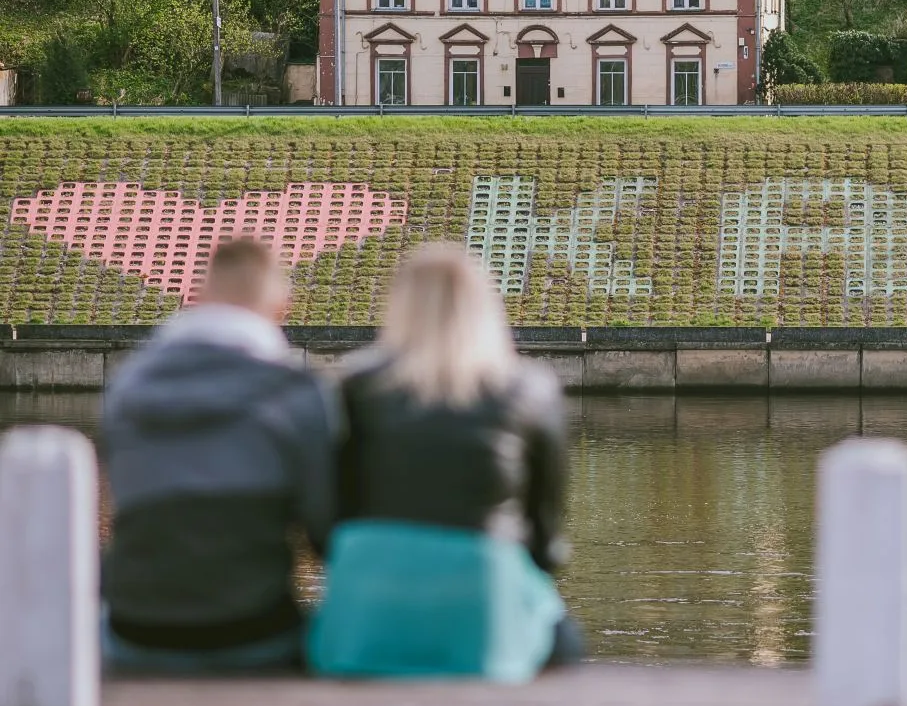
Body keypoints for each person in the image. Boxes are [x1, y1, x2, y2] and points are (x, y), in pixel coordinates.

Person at [309, 243, 580, 680]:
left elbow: (326, 516)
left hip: (372, 590)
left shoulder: (354, 385)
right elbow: (545, 528)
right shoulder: (530, 389)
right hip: (481, 582)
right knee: (564, 642)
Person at [99, 238, 335, 674]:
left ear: (202, 298)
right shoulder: (296, 393)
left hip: (136, 630)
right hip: (253, 630)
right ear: (281, 306)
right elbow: (323, 529)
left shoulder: (127, 389)